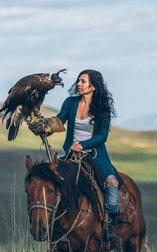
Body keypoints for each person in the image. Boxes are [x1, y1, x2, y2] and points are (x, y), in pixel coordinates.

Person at [30, 69, 119, 243]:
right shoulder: (70, 103)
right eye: (78, 81)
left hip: (95, 155)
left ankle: (110, 223)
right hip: (71, 155)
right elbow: (59, 121)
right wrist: (43, 126)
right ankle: (58, 224)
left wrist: (83, 145)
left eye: (83, 81)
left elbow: (102, 136)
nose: (78, 84)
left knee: (111, 182)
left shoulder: (102, 108)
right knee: (56, 181)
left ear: (93, 86)